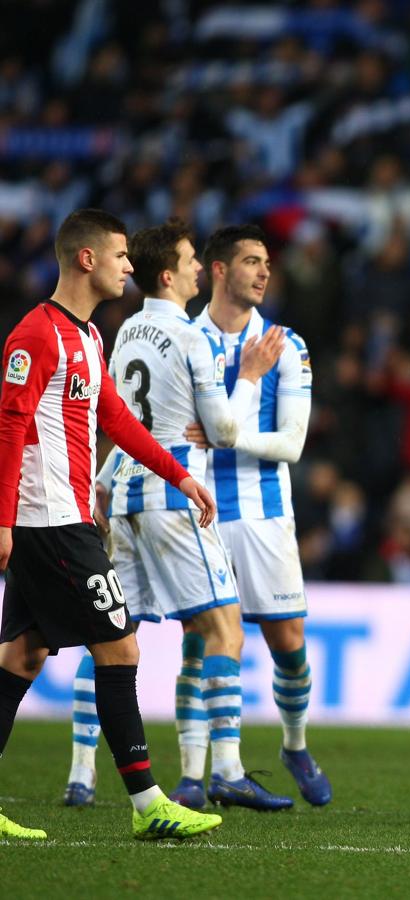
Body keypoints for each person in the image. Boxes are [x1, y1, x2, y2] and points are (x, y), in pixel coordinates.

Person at [0, 208, 223, 840]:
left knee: (22, 656)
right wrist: (3, 521)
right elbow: (9, 427)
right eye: (122, 255)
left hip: (63, 517)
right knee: (120, 645)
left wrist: (178, 475)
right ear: (87, 259)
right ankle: (149, 804)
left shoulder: (92, 339)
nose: (132, 266)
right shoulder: (35, 336)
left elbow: (119, 421)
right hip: (49, 522)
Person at [64, 218, 293, 811]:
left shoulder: (125, 333)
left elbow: (114, 423)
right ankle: (230, 769)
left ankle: (81, 773)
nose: (198, 268)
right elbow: (221, 432)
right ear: (169, 274)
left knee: (114, 636)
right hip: (173, 494)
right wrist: (247, 379)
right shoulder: (192, 337)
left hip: (125, 497)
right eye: (191, 261)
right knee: (223, 630)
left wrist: (99, 483)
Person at [186, 224, 331, 806]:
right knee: (202, 644)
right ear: (218, 270)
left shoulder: (285, 345)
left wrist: (225, 436)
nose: (265, 271)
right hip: (197, 510)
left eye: (266, 262)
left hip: (266, 514)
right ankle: (198, 773)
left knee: (288, 644)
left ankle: (293, 744)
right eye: (251, 261)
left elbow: (292, 444)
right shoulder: (185, 338)